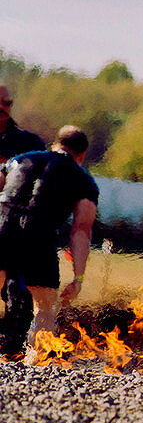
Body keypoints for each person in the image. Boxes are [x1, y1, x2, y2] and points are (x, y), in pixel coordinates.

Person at [0, 126, 98, 356]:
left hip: (2, 227)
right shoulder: (84, 180)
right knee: (45, 307)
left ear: (55, 144)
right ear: (81, 155)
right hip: (39, 237)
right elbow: (81, 232)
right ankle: (35, 365)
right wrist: (78, 278)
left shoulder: (19, 160)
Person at [0, 84, 46, 355]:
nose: (3, 108)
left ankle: (12, 349)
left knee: (19, 287)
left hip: (15, 224)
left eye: (7, 102)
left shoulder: (28, 144)